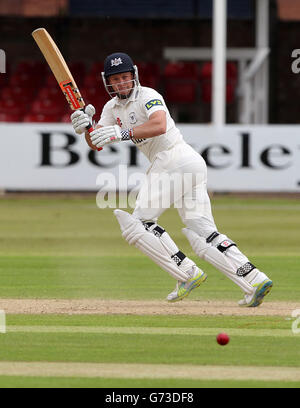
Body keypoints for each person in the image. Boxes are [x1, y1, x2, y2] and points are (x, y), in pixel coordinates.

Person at [71, 52, 273, 307]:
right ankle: (254, 279)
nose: (121, 83)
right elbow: (97, 142)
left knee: (139, 224)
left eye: (125, 77)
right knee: (203, 234)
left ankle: (187, 272)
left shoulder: (148, 95)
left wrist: (120, 133)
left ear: (133, 76)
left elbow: (159, 125)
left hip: (174, 158)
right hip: (186, 165)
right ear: (107, 82)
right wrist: (86, 128)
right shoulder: (111, 108)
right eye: (116, 79)